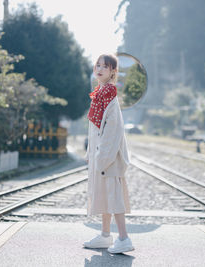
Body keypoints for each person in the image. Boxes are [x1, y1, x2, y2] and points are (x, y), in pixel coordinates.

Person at [83, 54, 134, 254]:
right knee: (105, 195)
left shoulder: (109, 93)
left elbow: (113, 128)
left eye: (106, 66)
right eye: (98, 65)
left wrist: (102, 157)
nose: (100, 68)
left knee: (114, 197)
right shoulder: (100, 93)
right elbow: (94, 128)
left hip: (109, 157)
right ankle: (105, 236)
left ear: (113, 71)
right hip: (101, 155)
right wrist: (91, 152)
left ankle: (124, 238)